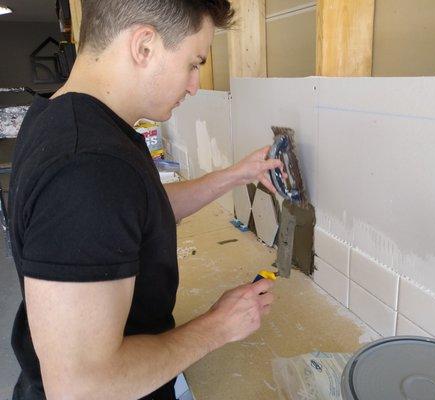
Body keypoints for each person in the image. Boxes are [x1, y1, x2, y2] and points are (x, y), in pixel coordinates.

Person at [8, 1, 282, 399]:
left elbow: (137, 212)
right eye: (193, 62)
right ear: (144, 46)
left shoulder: (65, 119)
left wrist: (236, 175)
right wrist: (218, 327)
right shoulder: (87, 167)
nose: (194, 84)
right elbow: (82, 388)